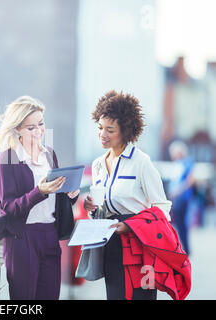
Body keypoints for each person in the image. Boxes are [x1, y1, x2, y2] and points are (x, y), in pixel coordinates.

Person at [0, 95, 80, 300]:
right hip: (22, 240)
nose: (38, 131)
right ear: (17, 129)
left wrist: (70, 194)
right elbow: (7, 208)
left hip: (50, 235)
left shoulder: (49, 154)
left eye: (41, 124)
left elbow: (54, 198)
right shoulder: (7, 160)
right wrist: (40, 192)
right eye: (31, 128)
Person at [83, 90, 173, 300]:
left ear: (125, 131)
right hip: (111, 241)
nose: (102, 134)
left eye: (110, 130)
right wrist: (92, 209)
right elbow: (102, 205)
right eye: (100, 128)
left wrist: (131, 226)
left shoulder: (141, 162)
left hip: (140, 245)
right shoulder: (97, 165)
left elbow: (163, 208)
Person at [168, 140, 195, 255]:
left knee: (181, 224)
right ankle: (181, 247)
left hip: (182, 198)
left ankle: (186, 249)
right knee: (178, 224)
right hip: (176, 197)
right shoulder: (177, 163)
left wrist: (178, 191)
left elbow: (190, 180)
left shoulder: (187, 162)